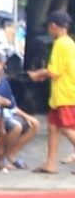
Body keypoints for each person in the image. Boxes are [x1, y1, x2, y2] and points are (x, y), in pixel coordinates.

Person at [29, 11, 75, 174]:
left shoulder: (60, 44)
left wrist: (38, 74)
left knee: (66, 128)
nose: (49, 30)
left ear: (54, 26)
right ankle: (50, 163)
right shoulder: (69, 42)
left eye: (49, 27)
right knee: (53, 127)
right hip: (62, 94)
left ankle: (51, 163)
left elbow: (54, 71)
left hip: (64, 94)